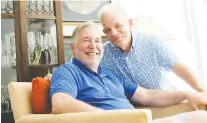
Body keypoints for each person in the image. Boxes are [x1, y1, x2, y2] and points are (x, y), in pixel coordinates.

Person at [50, 21, 207, 123]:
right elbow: (60, 103)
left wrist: (186, 94)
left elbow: (147, 96)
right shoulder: (68, 71)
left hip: (139, 121)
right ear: (73, 47)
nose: (93, 45)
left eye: (97, 41)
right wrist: (108, 117)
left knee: (201, 117)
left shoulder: (110, 74)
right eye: (86, 40)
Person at [97, 4, 204, 91]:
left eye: (118, 26)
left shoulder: (151, 42)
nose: (114, 33)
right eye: (107, 30)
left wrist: (202, 92)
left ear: (130, 23)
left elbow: (178, 67)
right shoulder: (102, 54)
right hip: (132, 110)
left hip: (164, 102)